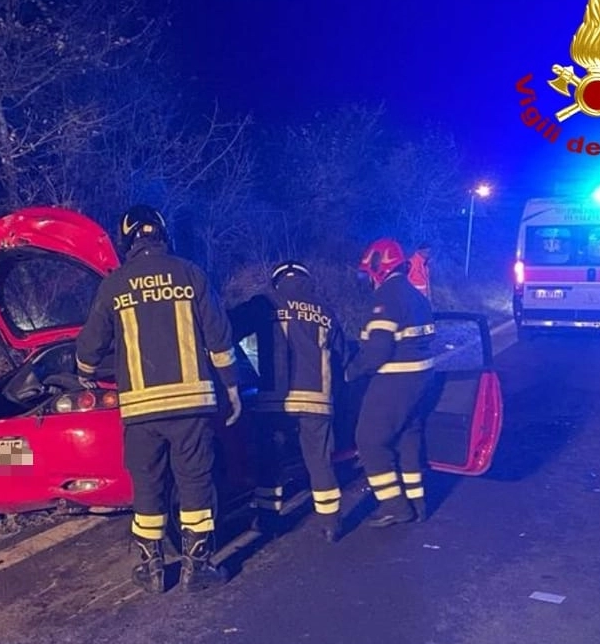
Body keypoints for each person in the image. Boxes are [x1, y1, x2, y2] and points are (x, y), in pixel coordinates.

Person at [75, 204, 242, 594]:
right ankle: (196, 567)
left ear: (127, 239)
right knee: (195, 481)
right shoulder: (190, 274)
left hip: (141, 413)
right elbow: (219, 338)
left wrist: (84, 372)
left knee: (147, 484)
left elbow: (90, 345)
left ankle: (152, 569)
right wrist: (231, 387)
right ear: (162, 234)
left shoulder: (115, 284)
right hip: (191, 407)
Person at [228, 260, 347, 543]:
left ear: (277, 281)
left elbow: (228, 327)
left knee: (270, 461)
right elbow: (342, 357)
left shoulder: (265, 303)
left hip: (275, 401)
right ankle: (331, 524)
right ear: (306, 281)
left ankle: (269, 521)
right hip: (317, 401)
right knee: (319, 461)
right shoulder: (325, 311)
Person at [346, 238, 436, 527]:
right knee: (407, 437)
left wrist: (351, 371)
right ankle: (417, 501)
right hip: (421, 378)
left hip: (395, 378)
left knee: (369, 440)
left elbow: (378, 349)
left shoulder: (386, 296)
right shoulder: (416, 295)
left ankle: (394, 506)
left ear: (378, 266)